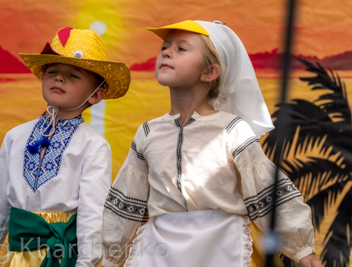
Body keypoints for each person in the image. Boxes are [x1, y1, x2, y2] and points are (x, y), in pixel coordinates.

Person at [101, 20, 323, 267]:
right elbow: (128, 198)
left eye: (182, 49)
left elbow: (264, 190)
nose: (166, 52)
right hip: (159, 252)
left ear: (209, 72)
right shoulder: (148, 132)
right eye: (165, 46)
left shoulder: (232, 130)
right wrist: (111, 258)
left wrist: (303, 250)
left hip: (221, 247)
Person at [0, 27, 131, 267]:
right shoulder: (15, 137)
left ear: (96, 95)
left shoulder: (94, 146)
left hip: (64, 260)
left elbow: (92, 216)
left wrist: (86, 263)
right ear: (42, 78)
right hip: (17, 260)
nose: (59, 78)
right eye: (52, 71)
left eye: (74, 75)